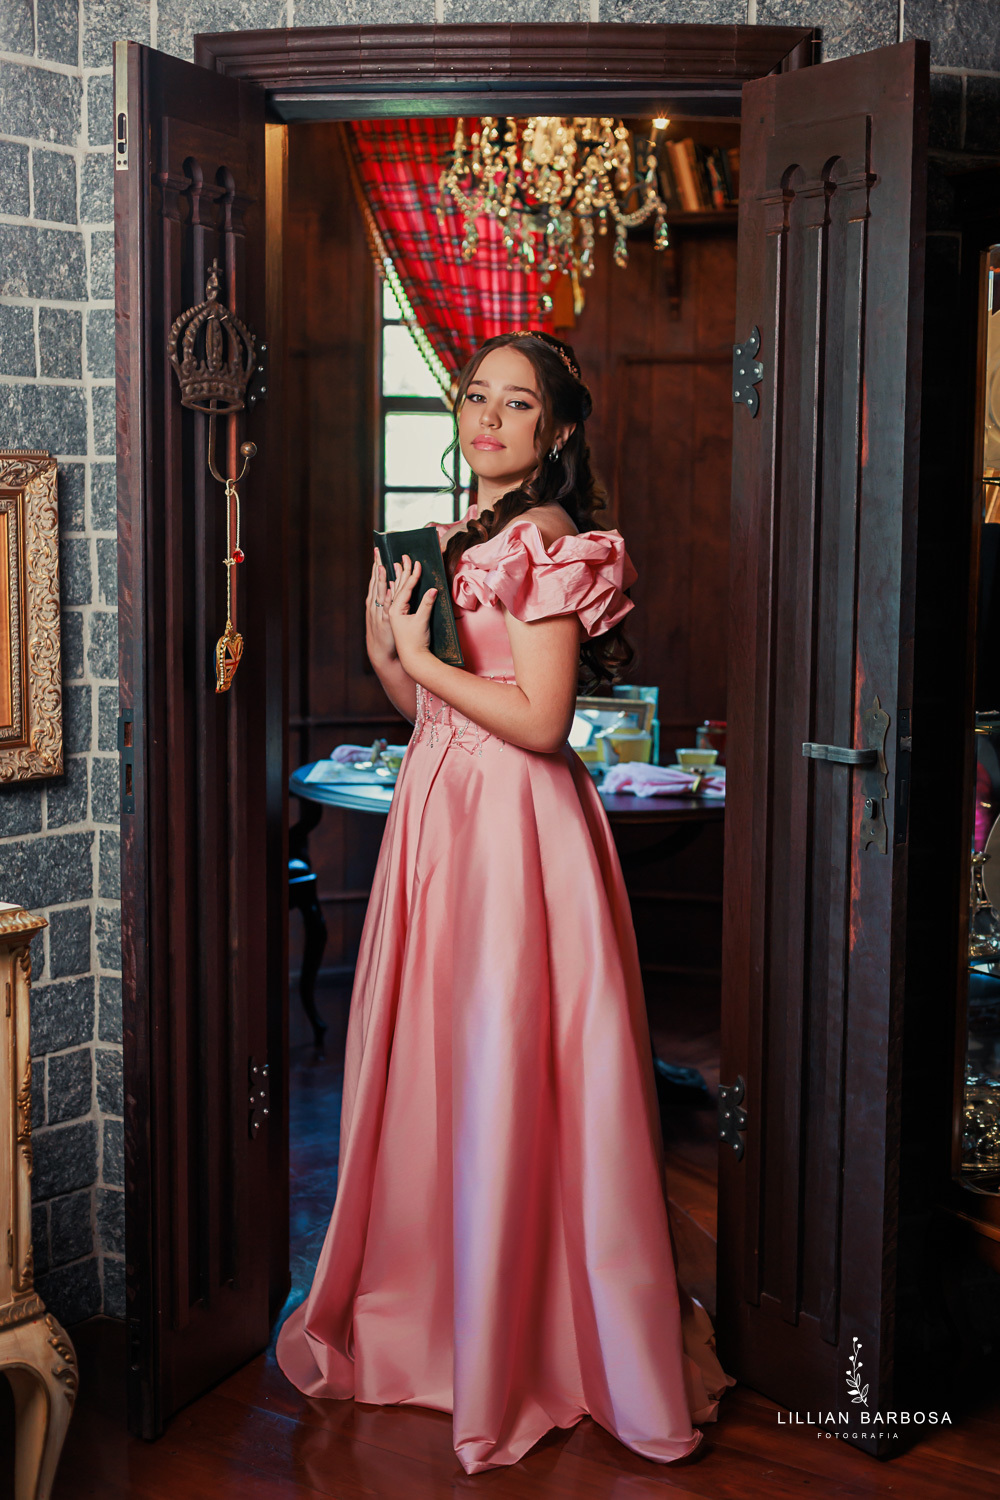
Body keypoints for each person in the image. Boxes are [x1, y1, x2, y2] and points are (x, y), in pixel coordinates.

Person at [276, 330, 731, 1474]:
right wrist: (390, 648)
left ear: (558, 429)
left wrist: (423, 663)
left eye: (516, 403)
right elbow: (426, 709)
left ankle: (530, 1338)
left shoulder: (545, 539)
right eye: (475, 395)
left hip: (517, 826)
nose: (486, 417)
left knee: (511, 1061)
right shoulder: (453, 539)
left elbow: (537, 719)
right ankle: (444, 1314)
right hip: (441, 810)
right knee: (443, 1061)